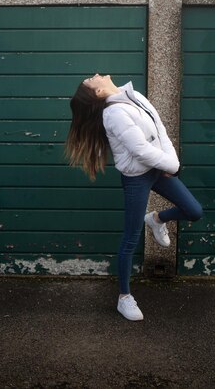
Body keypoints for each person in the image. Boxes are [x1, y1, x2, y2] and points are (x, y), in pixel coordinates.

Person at [65, 74, 203, 321]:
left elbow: (160, 130)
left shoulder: (134, 96)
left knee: (194, 211)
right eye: (90, 80)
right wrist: (170, 165)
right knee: (130, 239)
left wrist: (171, 163)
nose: (95, 75)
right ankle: (124, 298)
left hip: (158, 168)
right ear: (98, 93)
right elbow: (139, 150)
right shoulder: (113, 113)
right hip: (137, 177)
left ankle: (157, 219)